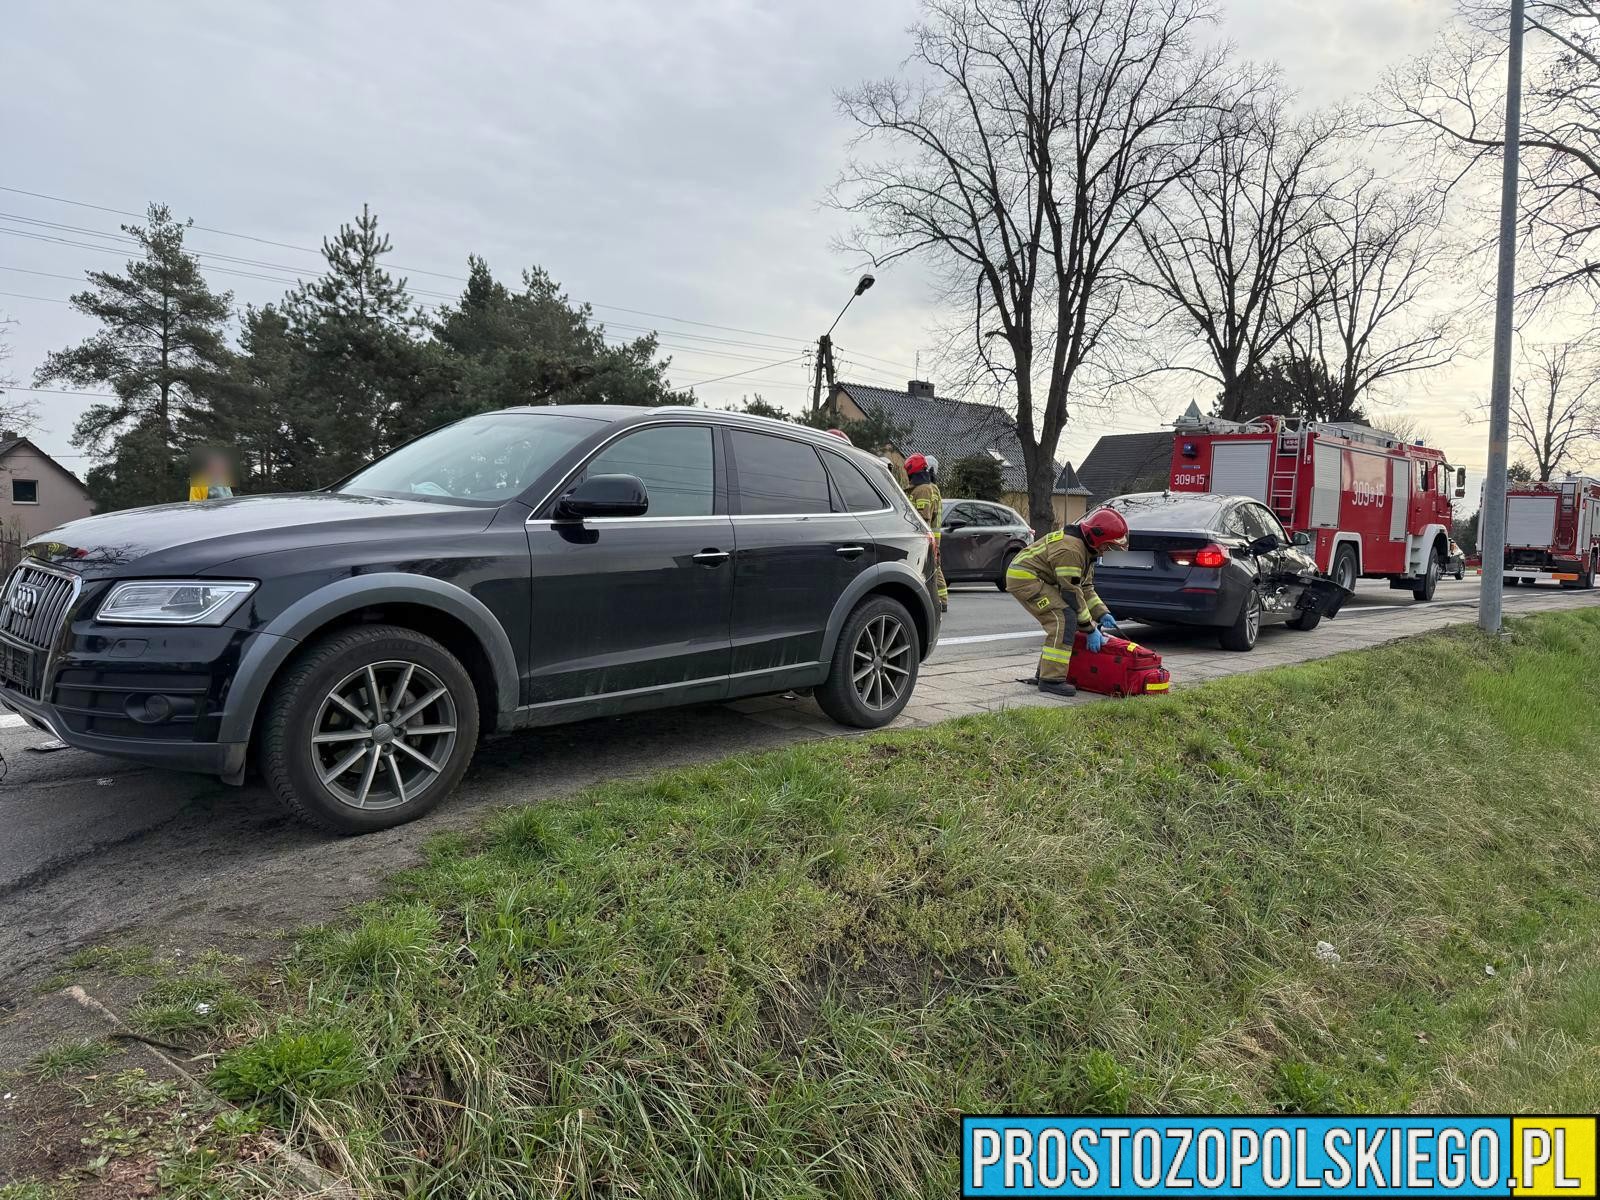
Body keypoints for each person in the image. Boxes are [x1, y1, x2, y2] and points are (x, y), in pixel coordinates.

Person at [1004, 506, 1128, 697]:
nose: (1107, 552)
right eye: (1107, 546)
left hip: (1037, 578)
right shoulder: (1071, 550)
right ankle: (1050, 680)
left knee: (1066, 619)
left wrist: (1102, 613)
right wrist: (1089, 628)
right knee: (1063, 619)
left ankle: (1045, 674)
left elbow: (1085, 588)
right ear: (1096, 538)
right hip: (1025, 579)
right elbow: (1071, 593)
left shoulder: (1086, 550)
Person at [905, 452, 948, 612]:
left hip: (927, 536)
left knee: (933, 568)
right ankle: (940, 600)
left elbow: (923, 517)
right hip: (930, 535)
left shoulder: (924, 489)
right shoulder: (924, 488)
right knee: (933, 567)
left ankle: (941, 601)